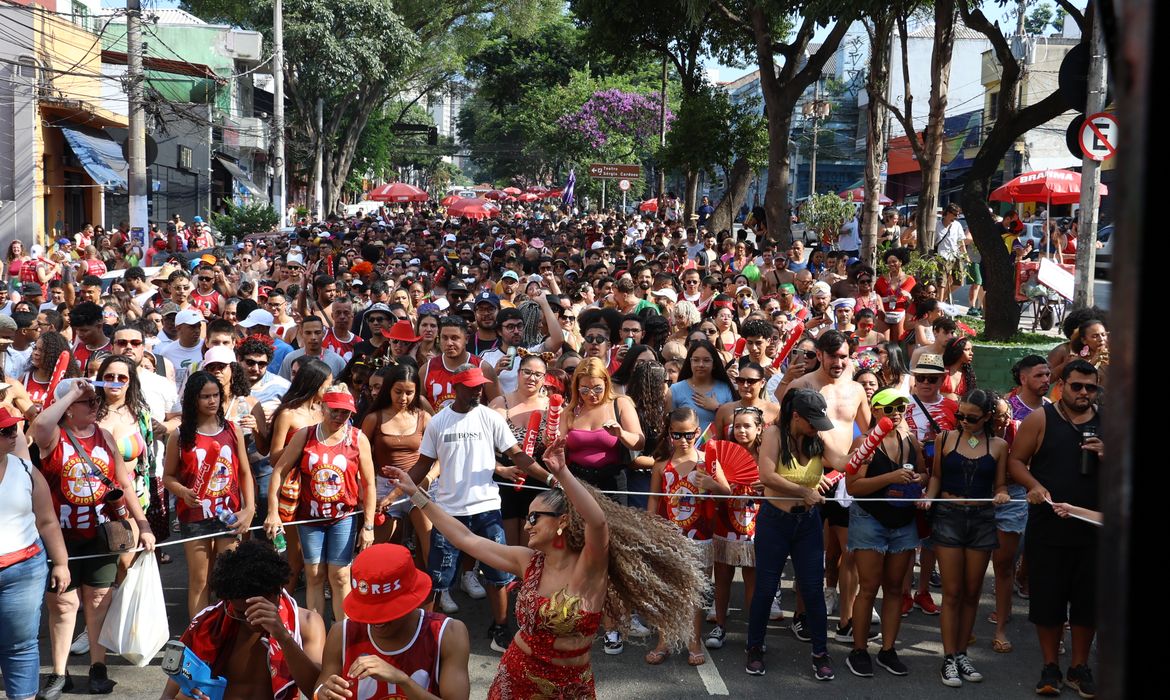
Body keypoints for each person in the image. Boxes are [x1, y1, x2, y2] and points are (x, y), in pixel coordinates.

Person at [384, 430, 706, 699]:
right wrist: (418, 496)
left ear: (563, 522)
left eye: (536, 517)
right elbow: (467, 540)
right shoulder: (528, 561)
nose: (528, 524)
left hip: (571, 688)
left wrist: (562, 473)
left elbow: (597, 523)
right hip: (517, 679)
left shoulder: (589, 567)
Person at [405, 365, 546, 654]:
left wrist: (551, 478)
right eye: (471, 387)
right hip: (448, 512)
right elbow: (423, 464)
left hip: (487, 509)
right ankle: (430, 632)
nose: (478, 391)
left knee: (499, 576)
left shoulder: (491, 417)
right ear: (456, 387)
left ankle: (502, 626)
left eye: (480, 386)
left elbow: (517, 455)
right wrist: (400, 488)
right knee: (437, 578)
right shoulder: (438, 422)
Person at [31, 378, 155, 698]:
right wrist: (73, 391)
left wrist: (143, 524)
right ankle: (59, 672)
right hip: (61, 536)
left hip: (101, 533)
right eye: (88, 402)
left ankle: (98, 667)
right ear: (69, 408)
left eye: (94, 400)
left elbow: (125, 484)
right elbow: (40, 423)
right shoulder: (53, 437)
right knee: (63, 603)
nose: (95, 404)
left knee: (99, 600)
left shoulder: (105, 437)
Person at [1008, 359, 1102, 698]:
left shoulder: (1109, 424)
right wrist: (1032, 485)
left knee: (1086, 603)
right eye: (1076, 386)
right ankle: (1050, 666)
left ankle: (1079, 667)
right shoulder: (1041, 418)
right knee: (1047, 600)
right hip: (1048, 525)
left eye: (1090, 388)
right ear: (1062, 385)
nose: (1083, 393)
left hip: (1094, 529)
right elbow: (1015, 460)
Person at [745, 389, 850, 680]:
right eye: (812, 421)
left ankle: (820, 653)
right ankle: (754, 646)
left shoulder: (817, 436)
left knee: (813, 589)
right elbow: (766, 476)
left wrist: (867, 447)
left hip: (808, 523)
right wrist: (805, 491)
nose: (817, 427)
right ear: (796, 416)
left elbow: (842, 463)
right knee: (766, 589)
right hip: (774, 521)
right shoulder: (773, 435)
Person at [920, 389, 1010, 687]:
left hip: (982, 519)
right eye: (959, 415)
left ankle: (961, 653)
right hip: (949, 516)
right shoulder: (945, 438)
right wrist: (929, 500)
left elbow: (1000, 485)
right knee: (952, 592)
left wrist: (1002, 494)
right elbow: (935, 477)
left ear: (986, 417)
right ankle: (948, 657)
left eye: (971, 418)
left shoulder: (998, 445)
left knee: (972, 592)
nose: (963, 421)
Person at [265, 385, 376, 623]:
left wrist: (368, 526)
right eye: (334, 410)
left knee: (341, 576)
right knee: (314, 575)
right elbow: (278, 472)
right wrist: (273, 512)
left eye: (345, 413)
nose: (339, 417)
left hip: (343, 517)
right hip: (310, 519)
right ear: (322, 407)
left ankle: (344, 632)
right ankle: (315, 633)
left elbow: (368, 484)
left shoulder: (358, 438)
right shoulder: (305, 435)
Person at [163, 540, 326, 700]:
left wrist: (284, 637)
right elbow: (168, 695)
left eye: (259, 611)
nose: (251, 620)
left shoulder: (307, 623)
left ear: (277, 594)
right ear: (228, 601)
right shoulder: (207, 622)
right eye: (241, 613)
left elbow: (317, 691)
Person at [314, 543, 471, 700]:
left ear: (410, 601)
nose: (375, 620)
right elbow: (320, 688)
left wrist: (403, 681)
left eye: (384, 611)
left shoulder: (448, 634)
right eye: (368, 609)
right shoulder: (341, 634)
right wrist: (321, 694)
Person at [843, 388, 925, 678]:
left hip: (902, 521)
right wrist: (891, 476)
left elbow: (926, 473)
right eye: (889, 408)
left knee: (895, 588)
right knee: (868, 588)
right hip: (870, 519)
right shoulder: (864, 443)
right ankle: (859, 650)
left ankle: (888, 649)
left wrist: (917, 478)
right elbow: (853, 486)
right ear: (875, 411)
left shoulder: (910, 441)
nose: (896, 412)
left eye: (901, 407)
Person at [164, 371, 254, 619]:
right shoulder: (180, 435)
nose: (212, 401)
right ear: (194, 400)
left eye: (216, 395)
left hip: (229, 513)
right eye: (205, 397)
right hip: (194, 515)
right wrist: (183, 491)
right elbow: (168, 477)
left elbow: (245, 472)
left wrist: (249, 509)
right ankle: (199, 637)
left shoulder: (232, 429)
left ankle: (228, 632)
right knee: (200, 580)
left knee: (228, 578)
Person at [644, 407, 730, 666]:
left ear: (698, 431)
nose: (683, 440)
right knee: (668, 590)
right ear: (669, 434)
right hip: (670, 537)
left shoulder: (709, 461)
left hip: (700, 536)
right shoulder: (661, 465)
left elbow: (726, 492)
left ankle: (694, 641)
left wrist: (712, 485)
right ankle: (664, 640)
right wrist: (650, 530)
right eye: (676, 435)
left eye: (689, 435)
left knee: (695, 591)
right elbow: (654, 500)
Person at [0, 410, 70, 700]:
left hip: (23, 569)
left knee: (20, 644)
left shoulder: (27, 470)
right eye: (5, 431)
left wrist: (62, 563)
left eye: (14, 427)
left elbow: (48, 521)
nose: (14, 434)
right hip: (22, 569)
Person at [361, 363, 434, 570]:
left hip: (416, 487)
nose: (403, 398)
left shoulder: (424, 417)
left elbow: (437, 458)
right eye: (398, 391)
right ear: (388, 389)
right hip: (383, 486)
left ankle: (435, 592)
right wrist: (366, 491)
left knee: (429, 542)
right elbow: (361, 457)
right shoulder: (373, 418)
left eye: (409, 393)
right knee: (379, 550)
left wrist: (429, 479)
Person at [706, 403, 765, 651]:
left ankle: (754, 630)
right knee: (722, 577)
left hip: (757, 523)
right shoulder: (721, 454)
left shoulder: (767, 455)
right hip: (725, 520)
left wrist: (768, 487)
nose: (741, 431)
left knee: (753, 578)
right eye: (737, 426)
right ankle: (720, 625)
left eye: (747, 426)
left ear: (759, 428)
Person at [488, 354, 557, 548]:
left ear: (544, 378)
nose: (532, 378)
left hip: (539, 477)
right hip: (506, 476)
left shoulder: (552, 406)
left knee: (534, 542)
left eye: (538, 374)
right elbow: (480, 448)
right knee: (507, 544)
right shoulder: (499, 404)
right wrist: (501, 469)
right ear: (518, 374)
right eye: (527, 372)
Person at [667, 339, 737, 434]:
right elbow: (668, 426)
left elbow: (735, 423)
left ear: (714, 364)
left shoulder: (725, 388)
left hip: (718, 447)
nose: (701, 365)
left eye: (706, 360)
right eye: (696, 360)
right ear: (690, 362)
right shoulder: (675, 390)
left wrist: (718, 408)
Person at [279, 316, 347, 379]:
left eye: (317, 332)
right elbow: (282, 385)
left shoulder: (337, 361)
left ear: (323, 333)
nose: (313, 337)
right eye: (308, 333)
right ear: (301, 333)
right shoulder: (290, 358)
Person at [874, 248, 915, 342]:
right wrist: (886, 299)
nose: (891, 264)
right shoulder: (882, 280)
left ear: (900, 262)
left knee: (898, 342)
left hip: (900, 313)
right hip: (884, 313)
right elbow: (876, 297)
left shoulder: (910, 280)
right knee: (884, 342)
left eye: (894, 261)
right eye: (889, 262)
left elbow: (914, 300)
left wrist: (908, 296)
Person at [941, 336, 977, 401]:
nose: (971, 353)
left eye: (971, 349)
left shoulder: (968, 375)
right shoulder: (941, 371)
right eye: (967, 349)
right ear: (957, 351)